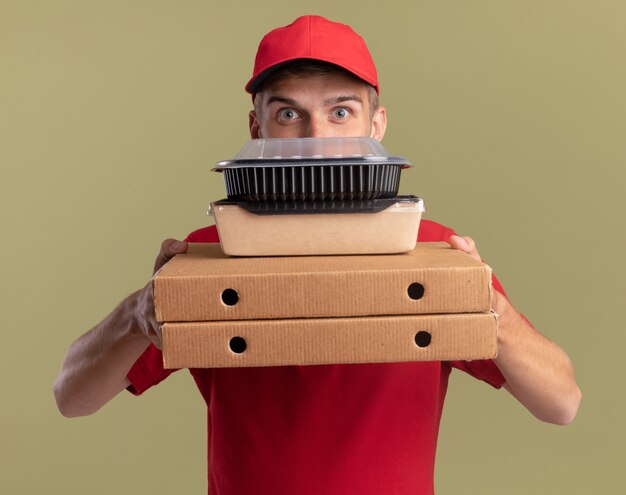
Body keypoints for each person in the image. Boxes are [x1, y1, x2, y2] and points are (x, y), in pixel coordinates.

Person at [54, 15, 581, 494]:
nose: (316, 138)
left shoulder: (430, 250)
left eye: (341, 111)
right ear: (257, 128)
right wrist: (137, 315)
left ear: (376, 128)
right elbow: (71, 398)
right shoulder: (210, 255)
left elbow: (562, 404)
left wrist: (494, 314)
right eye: (289, 113)